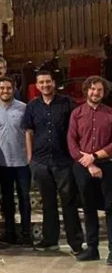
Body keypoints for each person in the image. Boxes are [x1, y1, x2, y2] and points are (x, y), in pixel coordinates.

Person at [23, 70, 83, 254]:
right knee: (48, 203)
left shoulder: (67, 103)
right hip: (40, 161)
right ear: (37, 85)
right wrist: (30, 158)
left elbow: (76, 130)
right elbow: (28, 132)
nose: (45, 85)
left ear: (54, 83)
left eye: (48, 82)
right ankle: (50, 240)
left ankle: (76, 243)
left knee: (69, 201)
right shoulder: (32, 106)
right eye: (41, 82)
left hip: (63, 160)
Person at [68, 76, 112, 263]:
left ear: (104, 93)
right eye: (93, 89)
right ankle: (92, 248)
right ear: (87, 90)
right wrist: (89, 163)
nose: (95, 93)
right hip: (83, 165)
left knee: (111, 208)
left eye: (99, 90)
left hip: (107, 164)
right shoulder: (77, 113)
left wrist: (95, 157)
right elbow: (71, 141)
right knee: (88, 208)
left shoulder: (110, 113)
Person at [0, 76, 31, 245]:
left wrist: (30, 156)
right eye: (2, 88)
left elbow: (29, 133)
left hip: (22, 161)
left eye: (8, 88)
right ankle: (10, 232)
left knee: (24, 198)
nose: (5, 91)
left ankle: (26, 232)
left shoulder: (24, 108)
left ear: (14, 89)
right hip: (2, 161)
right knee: (6, 198)